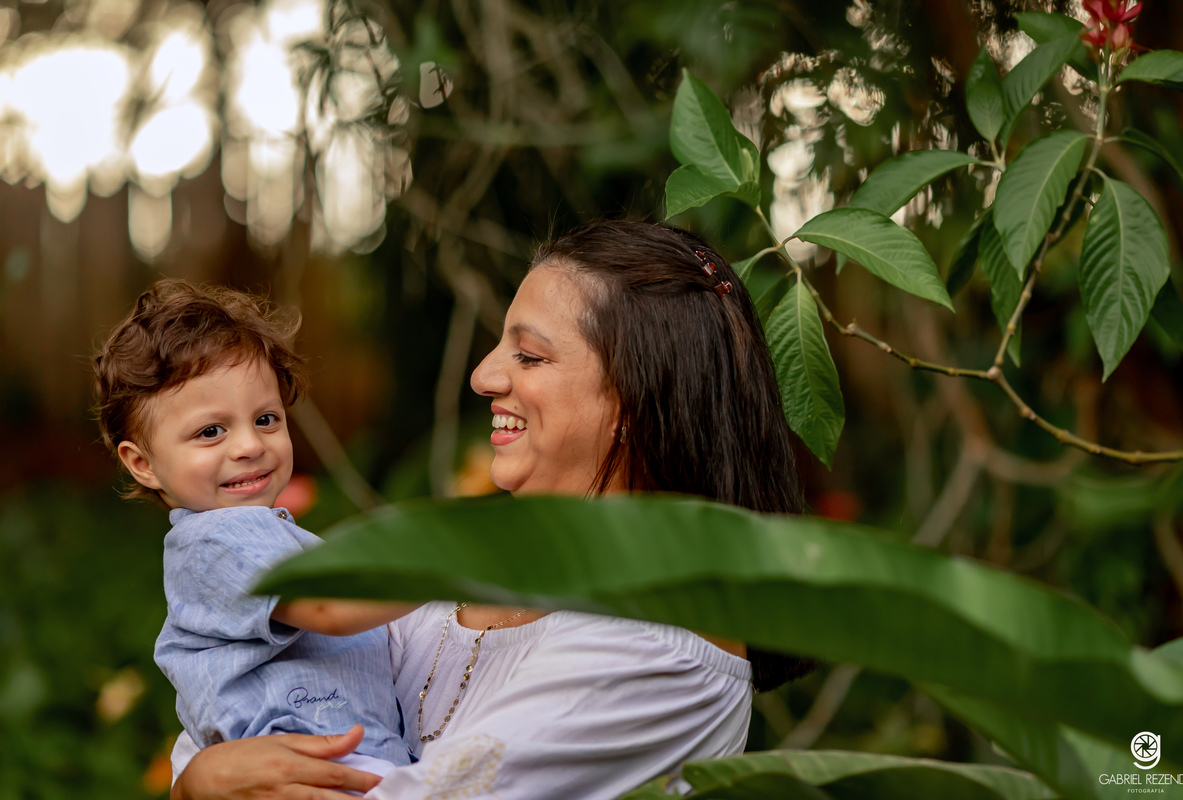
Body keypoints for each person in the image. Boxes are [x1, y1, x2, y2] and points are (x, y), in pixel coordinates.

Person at [169, 219, 808, 800]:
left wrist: (198, 785)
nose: (483, 375)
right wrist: (197, 778)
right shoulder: (441, 597)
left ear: (632, 399)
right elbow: (243, 706)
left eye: (529, 355)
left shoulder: (659, 649)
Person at [93, 280, 414, 781]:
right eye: (210, 431)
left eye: (266, 419)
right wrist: (450, 569)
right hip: (306, 773)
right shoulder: (218, 540)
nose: (249, 445)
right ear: (143, 464)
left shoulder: (253, 536)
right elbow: (329, 607)